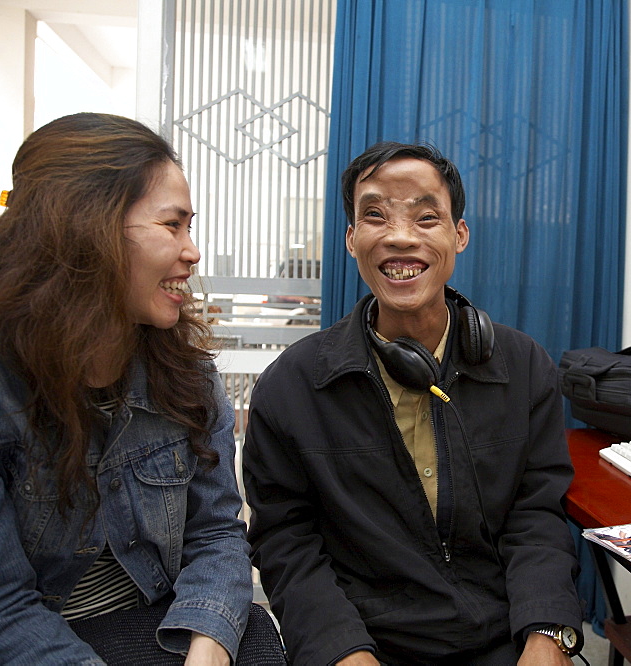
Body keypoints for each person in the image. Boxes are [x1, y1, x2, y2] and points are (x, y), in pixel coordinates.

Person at [0, 113, 263, 664]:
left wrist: (209, 641)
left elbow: (217, 534)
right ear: (88, 229)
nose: (193, 251)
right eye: (172, 225)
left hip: (159, 631)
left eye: (190, 225)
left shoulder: (188, 378)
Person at [243, 141, 584, 665]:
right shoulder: (290, 387)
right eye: (375, 215)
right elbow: (286, 543)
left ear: (459, 235)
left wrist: (546, 631)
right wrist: (341, 650)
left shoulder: (524, 366)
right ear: (352, 240)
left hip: (504, 635)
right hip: (366, 644)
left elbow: (535, 513)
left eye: (427, 217)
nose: (401, 237)